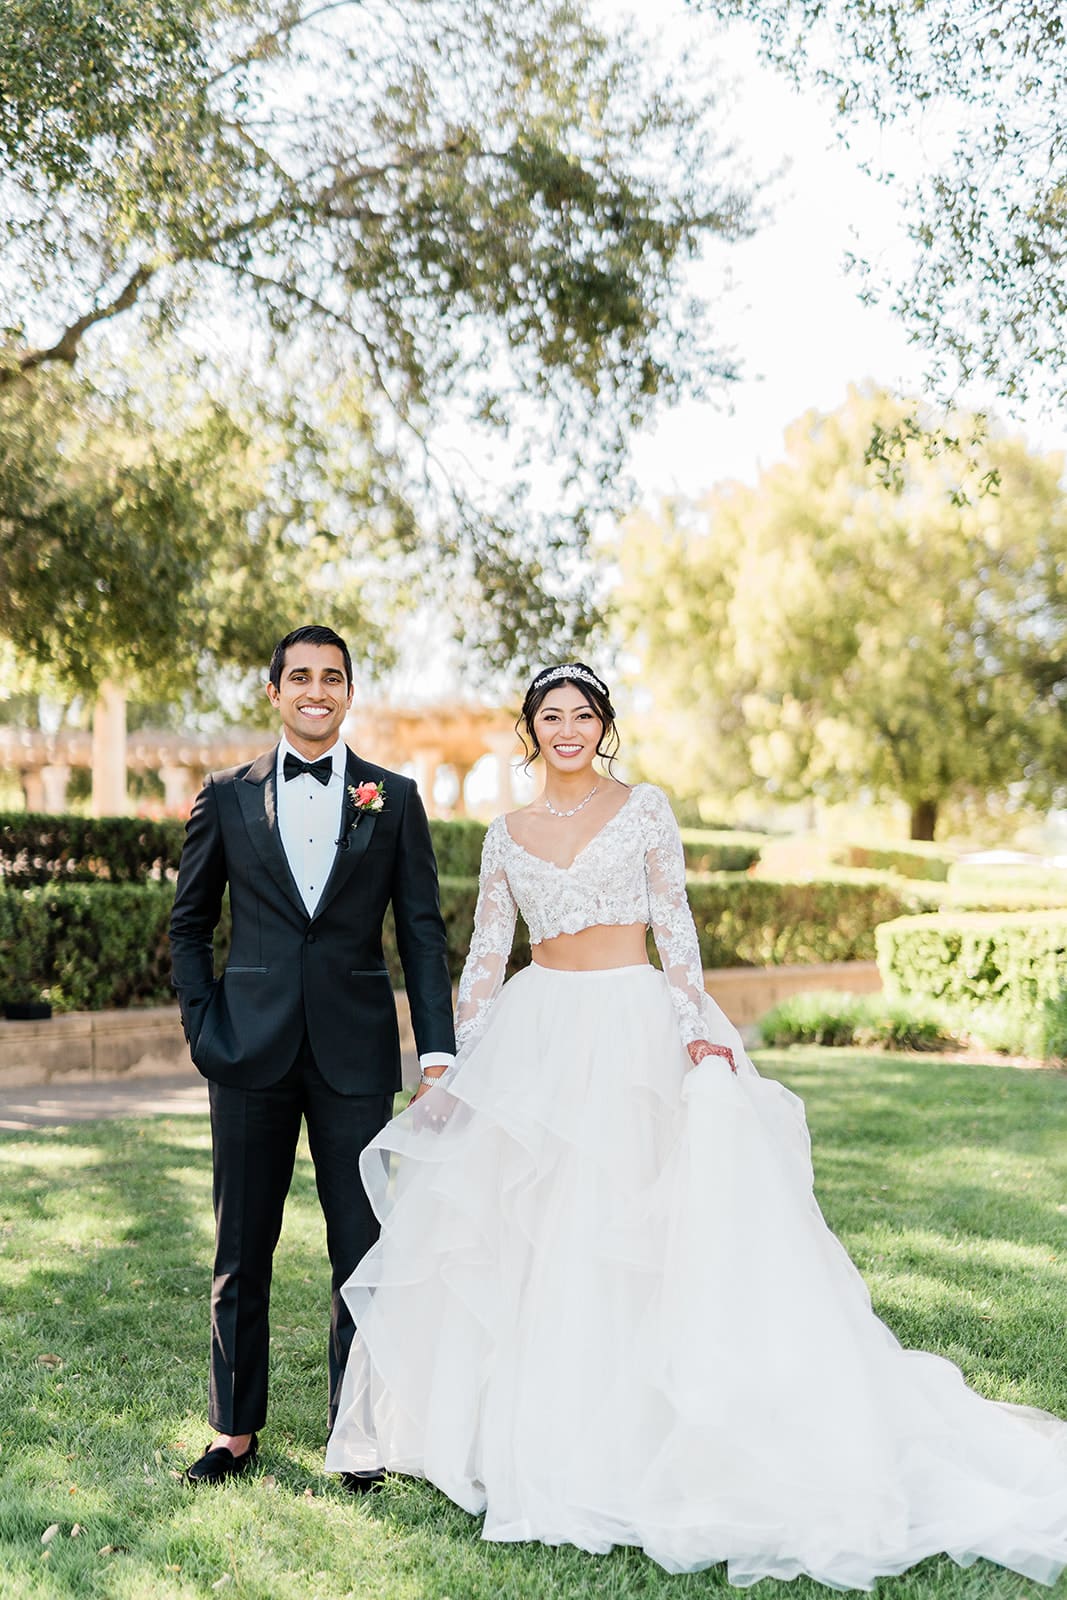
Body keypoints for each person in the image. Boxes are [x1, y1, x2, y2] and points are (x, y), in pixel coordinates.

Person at [325, 661, 1067, 1588]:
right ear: (530, 730)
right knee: (534, 1237)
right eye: (550, 716)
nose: (567, 729)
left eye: (583, 715)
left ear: (604, 726)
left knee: (634, 1234)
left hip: (633, 1024)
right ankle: (531, 1434)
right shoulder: (506, 834)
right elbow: (484, 951)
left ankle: (643, 1437)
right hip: (539, 1028)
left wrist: (693, 1032)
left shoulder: (645, 809)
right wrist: (462, 1056)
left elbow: (674, 928)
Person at [169, 624, 456, 1488]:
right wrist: (202, 1027)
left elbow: (421, 933)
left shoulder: (392, 798)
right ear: (274, 693)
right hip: (246, 1050)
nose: (316, 691)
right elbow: (187, 925)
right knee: (240, 1249)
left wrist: (434, 1049)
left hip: (354, 1054)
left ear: (350, 693)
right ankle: (232, 1432)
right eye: (300, 677)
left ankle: (358, 1435)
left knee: (361, 1252)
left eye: (332, 678)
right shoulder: (222, 797)